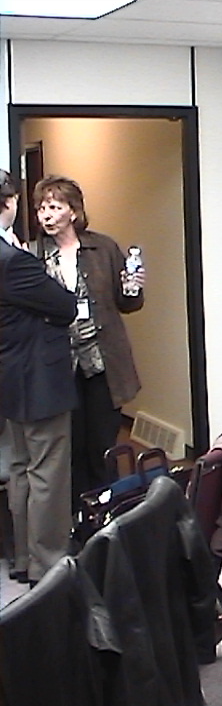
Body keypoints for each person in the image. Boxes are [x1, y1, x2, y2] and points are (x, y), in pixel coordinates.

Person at [33, 175, 145, 505]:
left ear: (74, 211)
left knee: (103, 446)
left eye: (55, 207)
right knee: (69, 449)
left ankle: (106, 515)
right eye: (42, 208)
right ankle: (75, 518)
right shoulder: (32, 254)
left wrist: (134, 287)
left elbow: (127, 303)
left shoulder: (103, 249)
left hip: (102, 363)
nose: (47, 215)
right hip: (57, 365)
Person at [0, 168, 78, 586]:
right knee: (47, 473)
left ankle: (23, 557)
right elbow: (65, 306)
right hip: (39, 381)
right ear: (9, 203)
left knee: (20, 469)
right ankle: (48, 565)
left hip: (10, 378)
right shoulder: (15, 260)